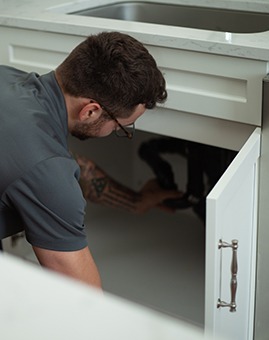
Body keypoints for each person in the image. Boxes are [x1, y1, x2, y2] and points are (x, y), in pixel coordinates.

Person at [0, 32, 181, 289]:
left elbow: (55, 165)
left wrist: (136, 202)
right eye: (122, 127)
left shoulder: (9, 78)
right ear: (91, 111)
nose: (117, 132)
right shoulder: (46, 168)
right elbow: (85, 300)